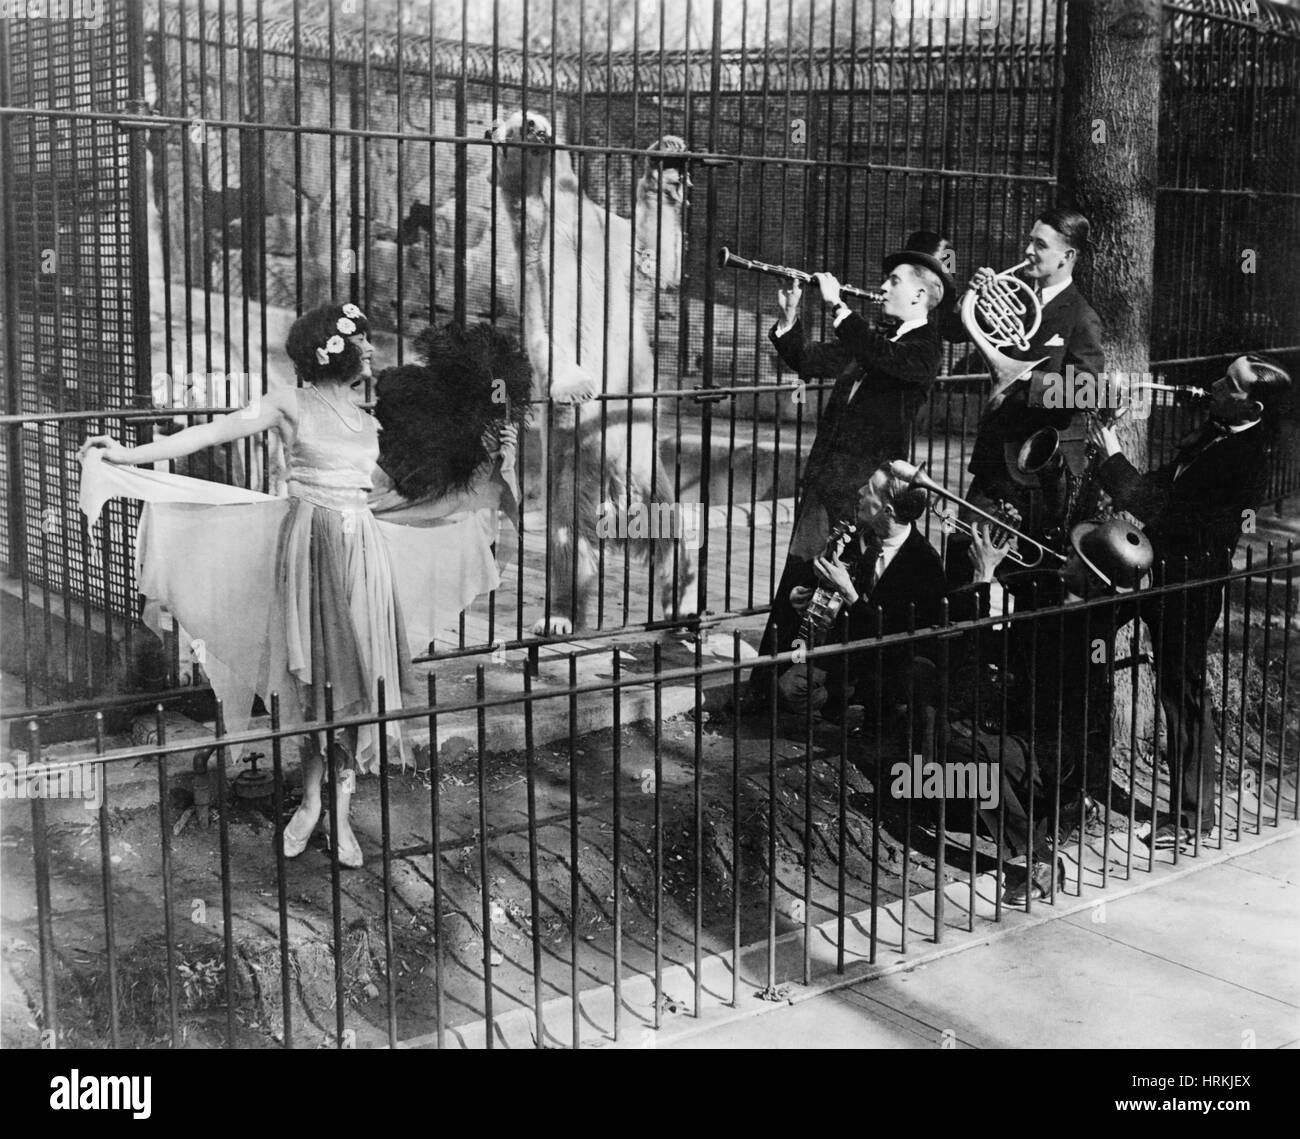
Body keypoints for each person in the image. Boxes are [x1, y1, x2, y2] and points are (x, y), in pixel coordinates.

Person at [78, 304, 515, 869]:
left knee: (361, 677)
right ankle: (314, 804)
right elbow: (212, 430)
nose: (374, 351)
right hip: (311, 550)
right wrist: (129, 454)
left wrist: (481, 461)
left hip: (365, 554)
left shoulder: (368, 414)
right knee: (319, 681)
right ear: (336, 349)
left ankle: (333, 808)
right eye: (364, 341)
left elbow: (381, 486)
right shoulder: (289, 401)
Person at [1089, 354, 1293, 848]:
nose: (1213, 385)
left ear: (1254, 405)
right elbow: (1161, 484)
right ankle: (1075, 777)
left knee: (1182, 691)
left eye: (1229, 383)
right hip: (1156, 567)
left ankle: (1192, 816)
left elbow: (1169, 511)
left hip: (1189, 583)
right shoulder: (1217, 429)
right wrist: (1114, 461)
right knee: (1082, 632)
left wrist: (1114, 457)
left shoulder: (1245, 457)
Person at [746, 248, 953, 707]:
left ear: (920, 294)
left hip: (866, 493)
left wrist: (839, 307)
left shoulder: (925, 348)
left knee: (838, 592)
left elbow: (882, 356)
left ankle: (828, 695)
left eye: (893, 281)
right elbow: (812, 360)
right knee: (796, 583)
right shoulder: (875, 337)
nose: (882, 287)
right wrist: (790, 318)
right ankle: (766, 690)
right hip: (827, 482)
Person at [935, 507, 1154, 904]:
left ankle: (1039, 857)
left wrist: (983, 579)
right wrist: (999, 547)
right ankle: (1057, 812)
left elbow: (988, 647)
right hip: (1038, 734)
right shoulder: (1063, 599)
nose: (1062, 558)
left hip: (1056, 751)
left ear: (1090, 578)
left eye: (1073, 558)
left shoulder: (1083, 629)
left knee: (966, 753)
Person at [952, 207, 1105, 580]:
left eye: (1039, 244)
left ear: (1067, 257)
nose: (1027, 251)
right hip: (994, 462)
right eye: (1029, 240)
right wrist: (972, 300)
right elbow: (957, 332)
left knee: (1029, 582)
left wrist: (1026, 386)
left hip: (1038, 472)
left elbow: (1088, 391)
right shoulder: (1020, 302)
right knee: (960, 560)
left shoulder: (1081, 317)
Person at [777, 461, 946, 721]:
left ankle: (858, 710)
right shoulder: (861, 537)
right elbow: (838, 604)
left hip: (887, 665)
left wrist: (848, 592)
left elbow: (896, 638)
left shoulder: (923, 562)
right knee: (789, 687)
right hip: (849, 654)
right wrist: (811, 596)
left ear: (886, 510)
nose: (858, 492)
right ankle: (847, 707)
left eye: (867, 490)